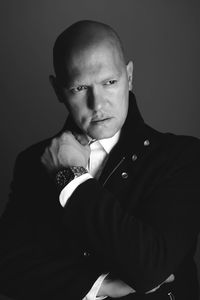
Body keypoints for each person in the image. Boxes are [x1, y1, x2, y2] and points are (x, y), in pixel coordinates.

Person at [0, 20, 200, 300]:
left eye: (109, 82)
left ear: (129, 76)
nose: (98, 104)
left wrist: (71, 177)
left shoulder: (183, 156)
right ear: (58, 89)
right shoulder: (32, 162)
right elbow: (8, 268)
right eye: (80, 88)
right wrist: (100, 285)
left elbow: (150, 268)